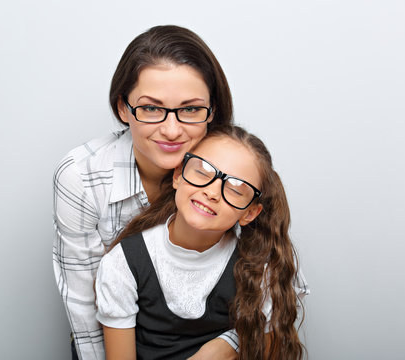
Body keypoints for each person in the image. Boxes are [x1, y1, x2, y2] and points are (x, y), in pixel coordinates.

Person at [53, 25, 236, 359]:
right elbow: (83, 314)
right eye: (151, 108)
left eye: (190, 109)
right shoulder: (81, 176)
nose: (171, 129)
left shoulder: (234, 169)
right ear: (124, 108)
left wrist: (227, 347)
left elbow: (277, 287)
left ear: (212, 111)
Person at [96, 126, 310, 360]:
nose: (212, 192)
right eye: (203, 172)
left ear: (249, 213)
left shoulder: (259, 266)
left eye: (236, 189)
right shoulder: (123, 263)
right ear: (178, 175)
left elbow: (270, 352)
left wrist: (229, 345)